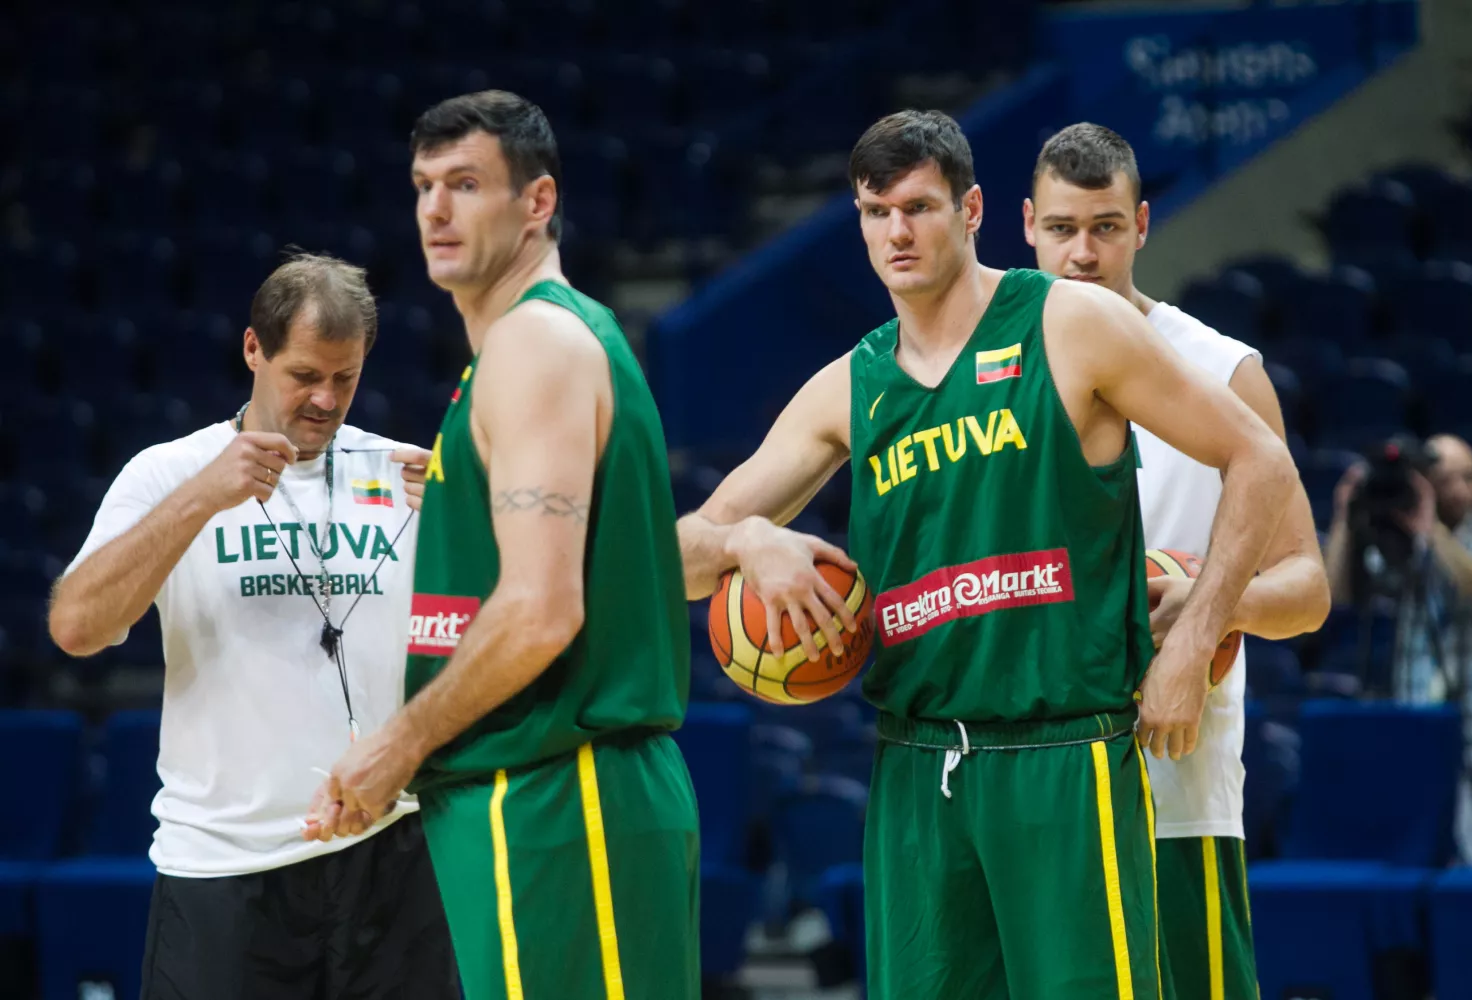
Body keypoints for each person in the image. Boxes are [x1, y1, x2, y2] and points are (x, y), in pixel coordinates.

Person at [677, 108, 1297, 999]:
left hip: (1066, 754)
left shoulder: (1069, 323)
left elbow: (1259, 459)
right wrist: (746, 536)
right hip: (917, 767)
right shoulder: (850, 385)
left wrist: (1195, 640)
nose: (897, 232)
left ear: (971, 211)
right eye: (877, 212)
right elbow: (677, 557)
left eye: (919, 207)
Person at [302, 90, 700, 1000]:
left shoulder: (533, 345)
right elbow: (622, 562)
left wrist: (398, 745)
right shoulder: (531, 347)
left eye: (467, 183)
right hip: (538, 799)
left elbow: (539, 610)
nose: (436, 210)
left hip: (560, 796)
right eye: (423, 186)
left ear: (537, 201)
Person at [47, 253, 456, 1000]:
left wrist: (471, 537)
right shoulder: (168, 473)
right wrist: (203, 497)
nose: (326, 399)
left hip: (396, 857)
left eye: (345, 377)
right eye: (305, 375)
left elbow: (467, 642)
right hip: (226, 870)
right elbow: (77, 627)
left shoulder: (405, 474)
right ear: (252, 349)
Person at [1025, 122, 1330, 1000]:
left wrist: (1209, 609)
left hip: (1175, 791)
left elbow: (1307, 589)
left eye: (1106, 227)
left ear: (1144, 225)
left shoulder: (1223, 370)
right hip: (1027, 783)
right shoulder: (988, 371)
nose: (1083, 254)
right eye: (1062, 228)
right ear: (1027, 225)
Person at [1327, 432, 1472, 862]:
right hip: (1415, 720)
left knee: (1469, 858)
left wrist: (1431, 531)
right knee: (1411, 857)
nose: (1460, 488)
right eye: (1446, 478)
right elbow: (1335, 594)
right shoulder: (1402, 546)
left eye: (1469, 477)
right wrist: (1346, 517)